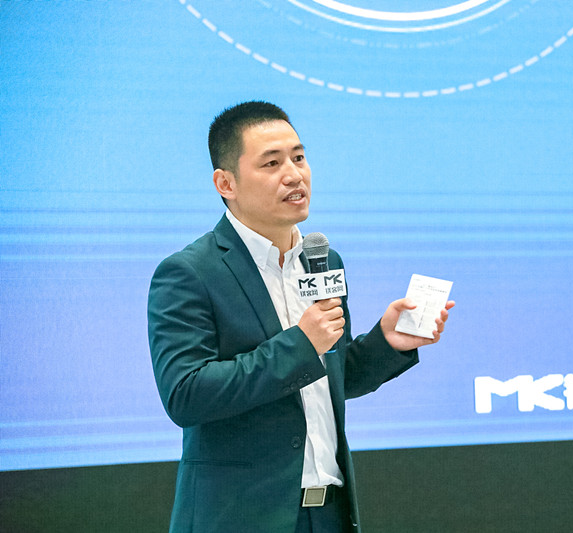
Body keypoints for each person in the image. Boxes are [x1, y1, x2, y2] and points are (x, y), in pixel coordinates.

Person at [147, 101, 454, 533]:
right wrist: (300, 344)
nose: (294, 175)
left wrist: (386, 342)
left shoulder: (323, 261)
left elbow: (326, 377)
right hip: (241, 518)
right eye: (271, 163)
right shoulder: (190, 273)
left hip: (330, 512)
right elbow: (186, 394)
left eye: (299, 157)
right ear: (226, 183)